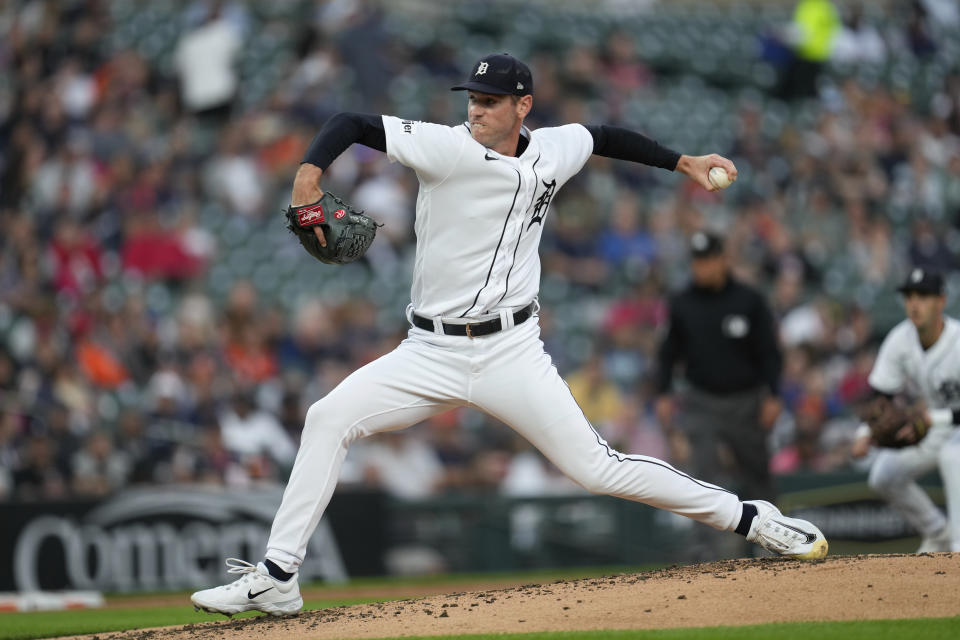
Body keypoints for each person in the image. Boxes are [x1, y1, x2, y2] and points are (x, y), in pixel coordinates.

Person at [190, 53, 827, 617]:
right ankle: (277, 578)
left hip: (512, 351)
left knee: (598, 469)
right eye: (473, 98)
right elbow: (355, 123)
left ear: (523, 106)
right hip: (429, 350)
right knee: (327, 418)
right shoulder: (445, 147)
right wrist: (309, 176)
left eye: (491, 102)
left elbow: (604, 136)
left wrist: (682, 162)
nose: (478, 110)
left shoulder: (554, 148)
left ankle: (753, 519)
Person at [654, 231, 784, 560]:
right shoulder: (682, 303)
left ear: (723, 259)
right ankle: (703, 552)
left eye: (708, 259)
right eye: (697, 261)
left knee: (756, 475)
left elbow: (769, 352)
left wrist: (774, 395)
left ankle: (769, 544)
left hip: (746, 401)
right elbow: (668, 354)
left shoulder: (749, 300)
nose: (702, 267)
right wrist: (663, 393)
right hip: (702, 402)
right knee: (702, 476)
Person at [851, 268, 960, 553]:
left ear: (941, 301)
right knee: (883, 476)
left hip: (948, 427)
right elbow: (881, 395)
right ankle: (938, 532)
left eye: (923, 296)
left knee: (952, 456)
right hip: (936, 426)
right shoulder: (901, 339)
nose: (914, 303)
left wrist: (933, 418)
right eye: (909, 296)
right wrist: (864, 432)